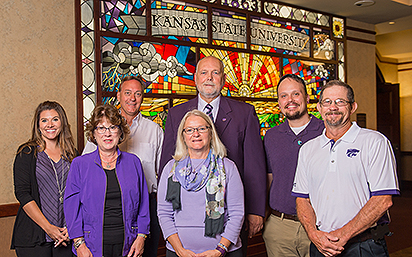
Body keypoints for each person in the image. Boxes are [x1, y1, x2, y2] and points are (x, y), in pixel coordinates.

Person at [160, 56, 266, 249]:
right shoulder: (176, 114)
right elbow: (169, 161)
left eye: (215, 73)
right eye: (204, 72)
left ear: (223, 79)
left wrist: (256, 210)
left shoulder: (245, 113)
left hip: (231, 213)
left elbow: (255, 166)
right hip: (186, 216)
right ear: (195, 78)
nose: (209, 77)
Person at [292, 80, 400, 257]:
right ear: (319, 107)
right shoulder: (307, 149)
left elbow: (383, 200)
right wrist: (313, 234)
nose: (333, 107)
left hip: (364, 246)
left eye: (340, 101)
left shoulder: (374, 142)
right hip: (320, 245)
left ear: (353, 107)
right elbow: (302, 199)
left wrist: (341, 236)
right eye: (327, 102)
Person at [83, 76, 163, 256]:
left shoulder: (155, 130)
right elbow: (84, 168)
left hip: (145, 205)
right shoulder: (101, 128)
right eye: (127, 93)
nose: (132, 98)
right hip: (104, 204)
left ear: (143, 97)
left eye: (137, 94)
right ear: (118, 96)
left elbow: (163, 172)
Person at [64, 104, 150, 257]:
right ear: (93, 134)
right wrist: (79, 243)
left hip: (128, 244)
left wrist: (142, 236)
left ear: (120, 132)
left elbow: (143, 204)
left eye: (112, 127)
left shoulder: (133, 162)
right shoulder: (80, 165)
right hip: (91, 246)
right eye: (101, 128)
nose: (107, 133)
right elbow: (71, 208)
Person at [158, 110, 244, 257]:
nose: (195, 134)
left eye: (202, 128)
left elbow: (237, 214)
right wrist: (179, 250)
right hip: (178, 252)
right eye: (189, 130)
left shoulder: (228, 167)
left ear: (210, 133)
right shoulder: (171, 169)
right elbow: (164, 213)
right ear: (183, 136)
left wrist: (220, 250)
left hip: (222, 252)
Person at [263, 74, 324, 257]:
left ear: (307, 97)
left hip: (320, 224)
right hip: (279, 227)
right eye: (284, 96)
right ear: (279, 103)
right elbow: (269, 178)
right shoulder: (271, 136)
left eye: (295, 94)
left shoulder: (326, 131)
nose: (290, 100)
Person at [11, 101, 77, 257]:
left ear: (62, 122)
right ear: (38, 125)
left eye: (55, 119)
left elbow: (77, 193)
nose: (50, 124)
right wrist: (49, 228)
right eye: (44, 120)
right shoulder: (27, 153)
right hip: (34, 238)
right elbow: (22, 194)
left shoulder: (72, 154)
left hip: (66, 236)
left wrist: (71, 226)